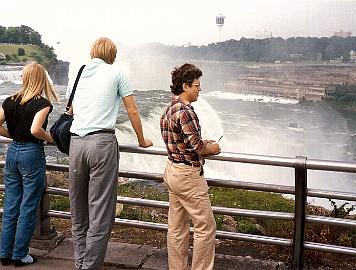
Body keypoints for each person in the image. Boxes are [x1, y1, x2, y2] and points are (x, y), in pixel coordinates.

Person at [68, 37, 153, 270]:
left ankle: (79, 263)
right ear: (112, 54)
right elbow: (132, 110)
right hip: (102, 143)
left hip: (76, 144)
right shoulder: (117, 73)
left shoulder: (79, 72)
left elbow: (71, 108)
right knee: (100, 212)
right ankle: (89, 267)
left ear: (93, 52)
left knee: (78, 210)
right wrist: (142, 140)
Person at [160, 63, 221, 270]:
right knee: (206, 227)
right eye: (196, 85)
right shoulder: (185, 111)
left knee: (177, 228)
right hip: (187, 176)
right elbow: (198, 147)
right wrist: (214, 147)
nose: (199, 89)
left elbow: (181, 141)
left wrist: (201, 143)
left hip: (172, 171)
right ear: (185, 86)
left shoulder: (169, 108)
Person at [0, 62, 57, 266]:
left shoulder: (10, 101)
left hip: (13, 152)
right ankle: (20, 255)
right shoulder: (42, 103)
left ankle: (4, 253)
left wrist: (13, 134)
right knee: (28, 206)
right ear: (42, 79)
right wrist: (51, 139)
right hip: (31, 153)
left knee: (11, 206)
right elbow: (35, 130)